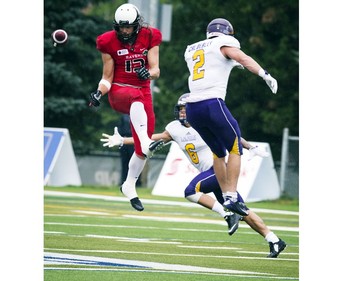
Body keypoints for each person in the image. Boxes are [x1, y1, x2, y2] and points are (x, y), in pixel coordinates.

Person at [101, 94, 286, 258]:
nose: (183, 113)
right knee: (241, 210)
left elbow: (232, 136)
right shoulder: (174, 128)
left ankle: (227, 215)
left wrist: (250, 147)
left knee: (190, 191)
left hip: (218, 171)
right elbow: (151, 138)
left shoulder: (204, 124)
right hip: (210, 175)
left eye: (186, 109)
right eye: (181, 110)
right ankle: (274, 239)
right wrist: (123, 141)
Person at [183, 18, 278, 218]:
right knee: (235, 146)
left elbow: (209, 67)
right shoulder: (224, 44)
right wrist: (264, 74)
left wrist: (230, 63)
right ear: (227, 33)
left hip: (192, 107)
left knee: (218, 151)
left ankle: (227, 195)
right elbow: (243, 58)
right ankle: (231, 196)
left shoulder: (191, 49)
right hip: (212, 103)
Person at [89, 3, 163, 212]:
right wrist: (98, 93)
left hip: (143, 91)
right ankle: (148, 142)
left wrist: (147, 73)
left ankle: (129, 185)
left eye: (128, 27)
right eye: (121, 27)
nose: (125, 31)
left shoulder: (150, 35)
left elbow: (156, 69)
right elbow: (107, 77)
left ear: (137, 25)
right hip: (120, 91)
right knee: (135, 98)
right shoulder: (107, 41)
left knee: (142, 149)